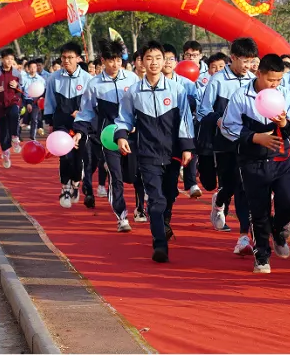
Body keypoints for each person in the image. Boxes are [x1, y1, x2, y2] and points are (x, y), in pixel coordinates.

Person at [114, 40, 195, 263]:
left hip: (173, 153)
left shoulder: (178, 90)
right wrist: (121, 136)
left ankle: (164, 222)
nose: (154, 63)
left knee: (170, 195)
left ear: (166, 61)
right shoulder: (133, 92)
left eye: (159, 58)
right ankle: (160, 243)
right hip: (147, 153)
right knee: (156, 199)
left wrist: (187, 147)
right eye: (149, 58)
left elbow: (186, 120)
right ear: (141, 62)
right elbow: (123, 118)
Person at [222, 54, 290, 274]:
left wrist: (285, 123)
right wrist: (255, 137)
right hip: (253, 162)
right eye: (271, 80)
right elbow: (228, 128)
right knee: (259, 211)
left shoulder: (285, 93)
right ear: (259, 73)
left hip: (282, 160)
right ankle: (262, 255)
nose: (275, 85)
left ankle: (277, 228)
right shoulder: (240, 96)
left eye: (278, 80)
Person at [195, 38, 257, 254]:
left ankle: (244, 236)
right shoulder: (218, 80)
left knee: (243, 187)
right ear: (233, 58)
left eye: (251, 61)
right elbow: (203, 111)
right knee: (229, 185)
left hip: (247, 142)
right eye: (244, 61)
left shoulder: (254, 81)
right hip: (224, 143)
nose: (248, 66)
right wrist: (219, 119)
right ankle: (220, 200)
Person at [74, 40, 141, 232]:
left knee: (134, 175)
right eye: (111, 60)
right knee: (116, 177)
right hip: (108, 137)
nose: (115, 64)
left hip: (131, 134)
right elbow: (85, 111)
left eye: (119, 60)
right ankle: (121, 217)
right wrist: (79, 131)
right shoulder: (94, 84)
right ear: (103, 61)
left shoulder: (132, 79)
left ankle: (140, 207)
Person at [44, 42, 94, 208]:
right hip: (61, 123)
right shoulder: (54, 78)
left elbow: (91, 105)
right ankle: (65, 187)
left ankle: (75, 183)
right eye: (64, 57)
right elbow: (49, 101)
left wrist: (81, 115)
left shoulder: (88, 80)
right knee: (65, 155)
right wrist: (49, 122)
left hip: (82, 124)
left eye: (70, 57)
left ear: (78, 59)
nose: (66, 61)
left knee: (79, 157)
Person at [163, 43, 202, 199]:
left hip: (183, 128)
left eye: (170, 59)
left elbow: (197, 103)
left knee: (188, 152)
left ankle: (190, 182)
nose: (167, 62)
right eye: (163, 58)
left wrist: (187, 102)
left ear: (176, 61)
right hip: (160, 133)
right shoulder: (147, 85)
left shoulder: (187, 84)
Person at [0, 48, 25, 169]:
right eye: (7, 59)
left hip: (13, 101)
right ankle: (5, 153)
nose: (9, 61)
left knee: (15, 114)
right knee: (3, 131)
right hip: (0, 105)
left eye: (11, 59)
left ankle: (15, 137)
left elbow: (22, 88)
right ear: (2, 59)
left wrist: (17, 86)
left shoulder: (17, 73)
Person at [23, 60, 46, 140]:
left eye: (34, 67)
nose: (33, 69)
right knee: (19, 117)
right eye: (31, 67)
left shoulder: (41, 80)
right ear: (28, 69)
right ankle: (16, 135)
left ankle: (32, 136)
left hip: (36, 101)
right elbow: (20, 90)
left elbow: (43, 91)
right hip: (24, 100)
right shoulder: (23, 78)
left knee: (34, 118)